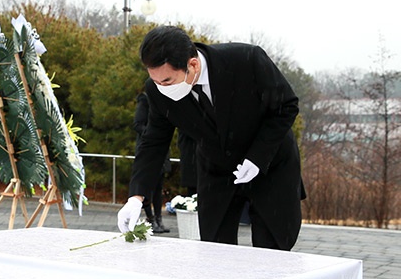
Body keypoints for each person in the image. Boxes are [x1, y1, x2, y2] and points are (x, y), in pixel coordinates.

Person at [117, 26, 305, 251]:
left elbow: (286, 106)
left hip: (270, 166)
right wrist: (136, 196)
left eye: (167, 81)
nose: (161, 88)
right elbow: (153, 142)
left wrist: (257, 158)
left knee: (271, 253)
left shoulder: (246, 61)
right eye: (155, 81)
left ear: (193, 65)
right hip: (217, 171)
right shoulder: (158, 91)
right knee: (215, 253)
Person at [133, 91, 171, 233]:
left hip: (161, 149)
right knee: (148, 186)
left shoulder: (164, 98)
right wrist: (153, 135)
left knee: (158, 187)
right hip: (148, 148)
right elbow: (137, 124)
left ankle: (158, 219)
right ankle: (151, 219)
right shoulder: (145, 99)